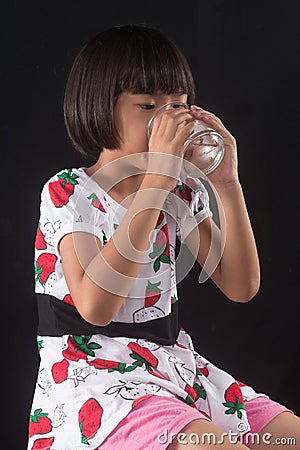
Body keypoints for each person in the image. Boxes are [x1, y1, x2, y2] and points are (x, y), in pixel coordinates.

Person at [28, 25, 299, 450]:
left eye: (178, 105)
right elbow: (96, 307)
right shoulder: (69, 191)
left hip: (173, 368)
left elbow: (242, 286)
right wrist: (156, 179)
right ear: (101, 105)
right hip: (96, 379)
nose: (168, 119)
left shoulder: (180, 191)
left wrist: (227, 184)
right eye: (148, 105)